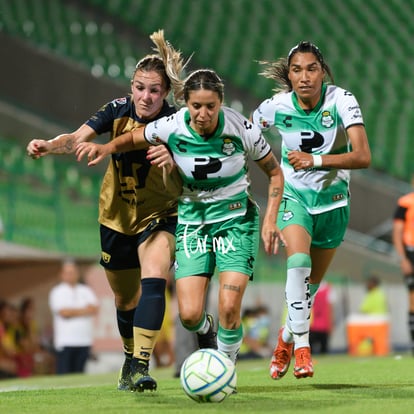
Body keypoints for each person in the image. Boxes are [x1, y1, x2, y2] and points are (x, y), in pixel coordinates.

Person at [75, 68, 286, 374]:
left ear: (221, 103)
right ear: (185, 103)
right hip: (193, 222)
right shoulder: (172, 125)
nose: (203, 114)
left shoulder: (241, 128)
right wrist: (105, 147)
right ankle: (207, 330)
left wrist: (270, 220)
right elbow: (133, 138)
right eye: (196, 106)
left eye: (210, 106)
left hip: (235, 221)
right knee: (189, 316)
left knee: (228, 306)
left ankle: (225, 371)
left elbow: (275, 172)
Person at [26, 30, 189, 391]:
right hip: (115, 215)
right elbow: (76, 138)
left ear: (165, 94)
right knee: (124, 298)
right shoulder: (116, 111)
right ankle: (130, 357)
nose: (146, 97)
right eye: (140, 88)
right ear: (132, 86)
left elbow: (196, 171)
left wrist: (174, 162)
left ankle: (142, 366)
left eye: (154, 90)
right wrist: (48, 146)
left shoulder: (178, 123)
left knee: (155, 279)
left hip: (159, 214)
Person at [251, 40, 371, 379]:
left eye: (311, 68)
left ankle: (286, 337)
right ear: (288, 75)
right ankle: (303, 347)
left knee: (309, 288)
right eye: (296, 70)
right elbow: (245, 134)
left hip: (334, 204)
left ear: (323, 71)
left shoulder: (342, 100)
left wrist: (315, 160)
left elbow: (363, 156)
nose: (304, 76)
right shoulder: (275, 106)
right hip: (295, 199)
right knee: (298, 263)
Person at [49, 259, 99, 374]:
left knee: (79, 374)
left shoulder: (85, 290)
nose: (71, 275)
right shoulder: (57, 292)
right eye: (68, 272)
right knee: (64, 374)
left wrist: (73, 311)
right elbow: (64, 313)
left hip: (84, 340)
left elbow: (94, 308)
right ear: (62, 274)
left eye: (73, 272)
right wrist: (85, 310)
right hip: (66, 341)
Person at [392, 178, 414, 355]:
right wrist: (403, 259)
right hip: (411, 253)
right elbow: (397, 232)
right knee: (413, 298)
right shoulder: (405, 202)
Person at [309, 281, 334, 354]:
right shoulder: (328, 289)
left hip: (319, 325)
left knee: (321, 349)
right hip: (314, 325)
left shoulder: (328, 289)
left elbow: (330, 309)